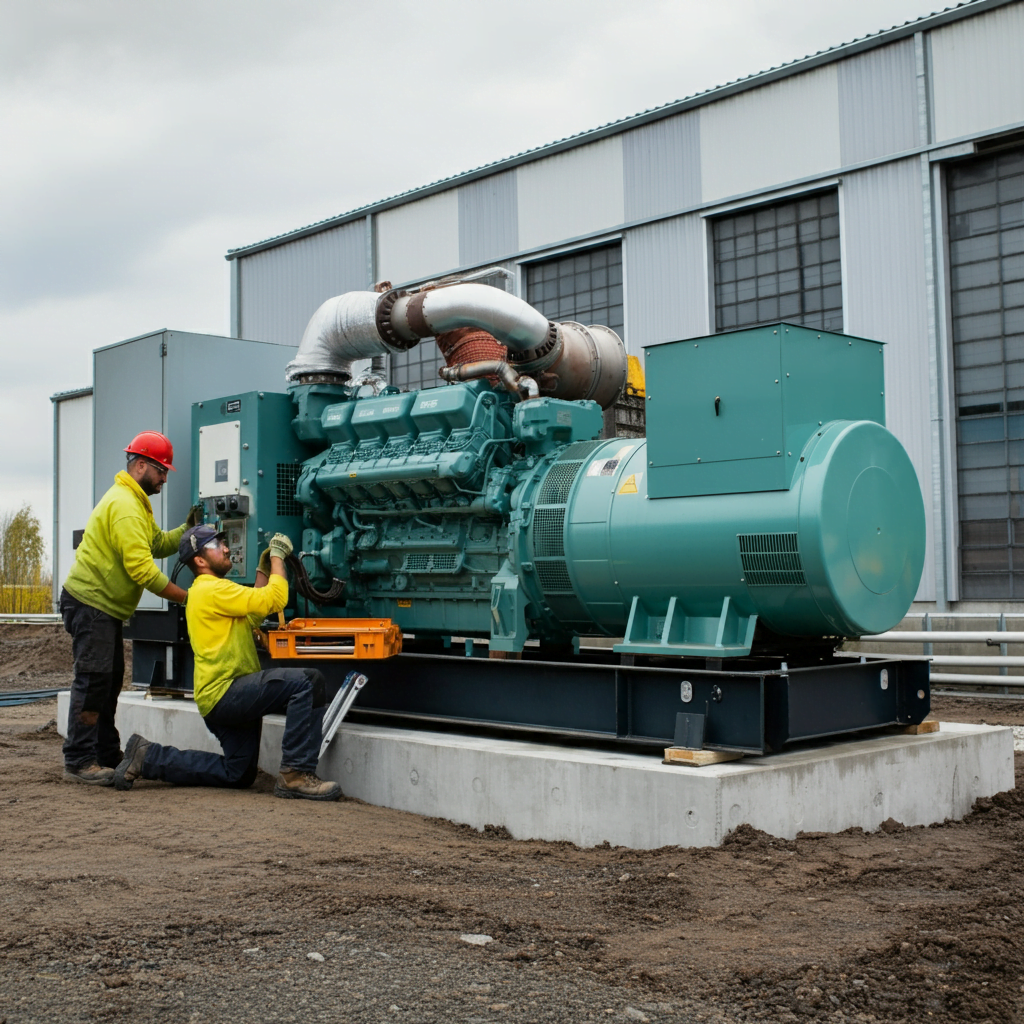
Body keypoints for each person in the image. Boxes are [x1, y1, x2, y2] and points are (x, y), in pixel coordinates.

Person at [113, 524, 341, 801]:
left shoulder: (207, 591)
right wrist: (278, 556)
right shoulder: (212, 590)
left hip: (218, 699)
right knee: (308, 682)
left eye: (224, 541)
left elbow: (254, 614)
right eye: (217, 544)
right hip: (228, 693)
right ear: (199, 559)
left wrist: (264, 570)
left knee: (238, 773)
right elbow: (276, 598)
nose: (226, 547)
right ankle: (295, 775)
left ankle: (147, 756)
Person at [60, 431, 197, 785]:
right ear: (140, 465)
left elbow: (157, 544)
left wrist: (187, 530)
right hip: (91, 605)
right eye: (162, 470)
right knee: (94, 682)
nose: (165, 478)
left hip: (102, 608)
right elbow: (142, 569)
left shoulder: (135, 502)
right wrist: (187, 598)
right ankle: (80, 760)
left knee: (108, 683)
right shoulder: (124, 506)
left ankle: (106, 754)